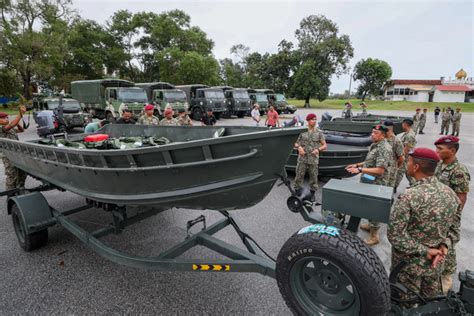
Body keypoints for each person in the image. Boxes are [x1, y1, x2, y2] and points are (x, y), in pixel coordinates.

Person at [388, 148, 461, 301]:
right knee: (430, 305)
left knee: (404, 305)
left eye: (409, 161)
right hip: (435, 267)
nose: (407, 164)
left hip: (408, 269)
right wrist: (444, 246)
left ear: (416, 167)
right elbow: (454, 231)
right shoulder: (451, 194)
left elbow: (395, 235)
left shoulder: (409, 196)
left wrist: (425, 250)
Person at [434, 136, 471, 292]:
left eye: (440, 149)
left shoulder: (459, 171)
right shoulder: (440, 165)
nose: (437, 151)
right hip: (437, 213)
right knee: (437, 241)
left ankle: (446, 276)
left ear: (452, 150)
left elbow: (461, 198)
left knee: (448, 244)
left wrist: (452, 219)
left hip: (449, 217)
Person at [346, 124, 392, 245]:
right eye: (372, 132)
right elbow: (370, 161)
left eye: (375, 133)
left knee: (374, 207)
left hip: (377, 183)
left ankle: (374, 235)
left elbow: (380, 170)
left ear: (383, 135)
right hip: (369, 180)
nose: (372, 134)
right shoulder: (375, 145)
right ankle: (371, 225)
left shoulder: (384, 148)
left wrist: (360, 170)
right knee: (368, 204)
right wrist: (357, 165)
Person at [293, 113, 327, 201]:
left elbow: (325, 145)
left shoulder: (319, 132)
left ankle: (312, 194)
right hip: (302, 158)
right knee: (299, 176)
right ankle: (297, 192)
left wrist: (318, 150)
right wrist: (299, 147)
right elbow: (295, 142)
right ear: (308, 121)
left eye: (315, 119)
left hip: (313, 159)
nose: (314, 121)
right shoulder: (302, 131)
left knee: (313, 177)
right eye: (312, 119)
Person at [0, 106, 28, 190]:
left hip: (17, 153)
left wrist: (17, 122)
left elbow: (21, 130)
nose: (6, 119)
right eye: (3, 118)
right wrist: (20, 114)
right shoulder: (1, 128)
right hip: (7, 155)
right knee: (12, 175)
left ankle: (20, 189)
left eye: (7, 117)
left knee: (22, 172)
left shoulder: (9, 128)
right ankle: (11, 194)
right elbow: (11, 125)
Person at [394, 119, 417, 190]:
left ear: (405, 124)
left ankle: (393, 187)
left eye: (402, 124)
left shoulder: (409, 135)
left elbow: (406, 149)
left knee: (399, 172)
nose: (402, 126)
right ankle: (414, 185)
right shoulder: (408, 133)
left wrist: (399, 157)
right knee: (408, 173)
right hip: (407, 157)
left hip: (405, 157)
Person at [383, 120, 404, 190]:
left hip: (390, 172)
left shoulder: (397, 141)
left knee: (388, 191)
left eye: (386, 130)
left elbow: (401, 158)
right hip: (380, 169)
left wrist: (395, 168)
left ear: (390, 129)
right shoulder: (382, 138)